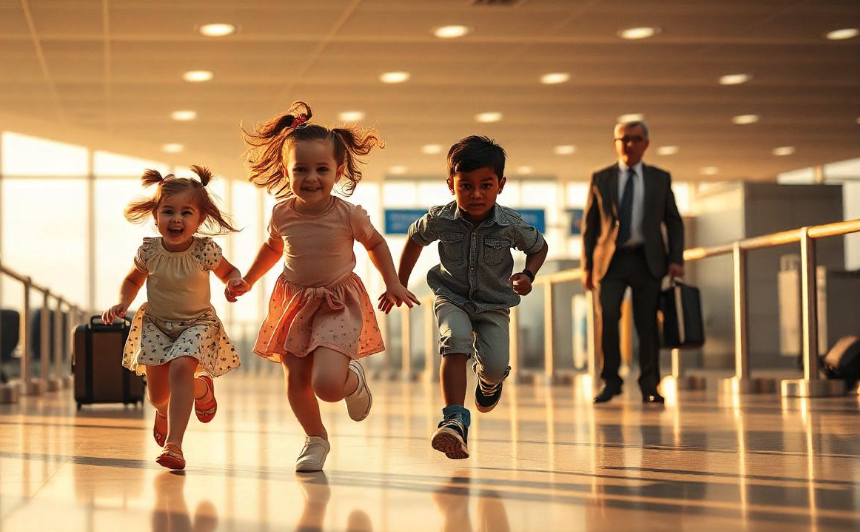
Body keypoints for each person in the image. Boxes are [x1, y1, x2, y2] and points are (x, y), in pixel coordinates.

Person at [227, 101, 418, 473]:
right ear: (286, 170)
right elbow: (272, 247)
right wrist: (247, 280)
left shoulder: (348, 214)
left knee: (327, 385)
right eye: (301, 169)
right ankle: (315, 438)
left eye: (321, 169)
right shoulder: (282, 213)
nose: (310, 177)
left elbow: (375, 243)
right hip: (294, 301)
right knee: (296, 380)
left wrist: (392, 281)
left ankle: (351, 382)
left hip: (337, 301)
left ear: (338, 171)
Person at [386, 135, 547, 460]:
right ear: (451, 184)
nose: (476, 194)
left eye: (485, 185)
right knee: (454, 344)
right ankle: (454, 420)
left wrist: (528, 276)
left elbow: (539, 247)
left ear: (500, 185)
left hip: (495, 304)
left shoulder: (510, 225)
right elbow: (414, 240)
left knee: (494, 366)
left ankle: (489, 384)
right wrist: (398, 283)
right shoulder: (440, 219)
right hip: (452, 296)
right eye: (466, 186)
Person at [102, 166, 243, 470]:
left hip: (197, 324)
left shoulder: (204, 250)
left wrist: (234, 282)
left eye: (186, 213)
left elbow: (229, 272)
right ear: (156, 216)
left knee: (181, 369)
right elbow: (132, 281)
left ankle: (174, 446)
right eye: (168, 211)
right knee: (157, 395)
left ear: (199, 219)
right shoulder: (149, 251)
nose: (176, 219)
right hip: (157, 324)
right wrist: (122, 301)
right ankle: (197, 390)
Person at [581, 120, 684, 405]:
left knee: (647, 323)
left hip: (647, 260)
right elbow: (590, 226)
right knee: (608, 318)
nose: (629, 144)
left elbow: (673, 222)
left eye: (636, 139)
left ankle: (650, 384)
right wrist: (587, 266)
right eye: (623, 139)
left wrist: (676, 258)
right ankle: (610, 382)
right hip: (609, 263)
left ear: (646, 143)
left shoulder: (659, 178)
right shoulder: (601, 177)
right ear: (615, 143)